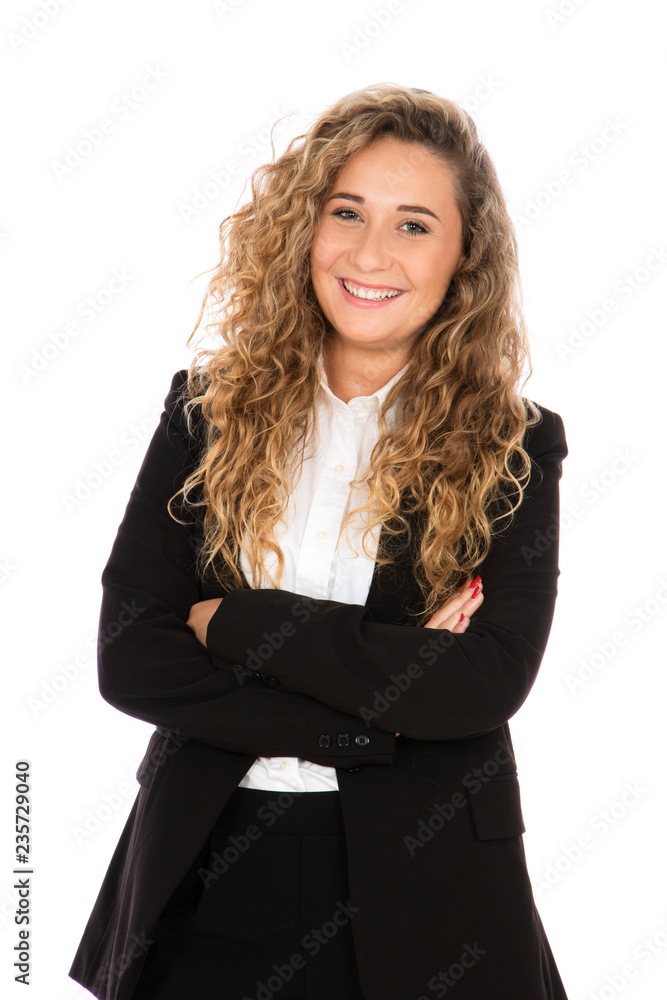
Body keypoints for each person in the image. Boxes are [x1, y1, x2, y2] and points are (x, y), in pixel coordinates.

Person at [68, 82, 570, 1000]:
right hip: (201, 875)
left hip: (429, 896)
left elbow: (481, 682)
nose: (370, 252)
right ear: (306, 226)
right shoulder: (204, 414)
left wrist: (238, 624)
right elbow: (132, 658)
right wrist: (380, 707)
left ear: (465, 256)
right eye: (347, 212)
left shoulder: (514, 442)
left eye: (413, 224)